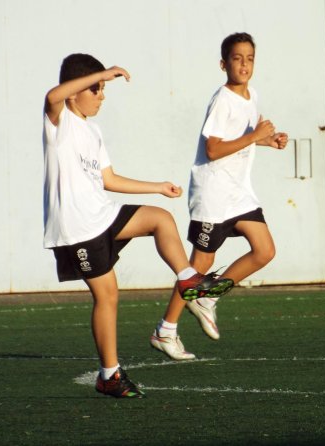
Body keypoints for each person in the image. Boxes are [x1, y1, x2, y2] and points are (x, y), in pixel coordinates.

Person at [42, 53, 234, 398]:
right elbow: (53, 96)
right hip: (77, 229)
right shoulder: (59, 122)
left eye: (102, 89)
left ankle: (188, 280)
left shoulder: (92, 130)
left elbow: (109, 179)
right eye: (96, 89)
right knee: (108, 295)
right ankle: (110, 375)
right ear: (76, 92)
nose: (102, 96)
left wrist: (157, 186)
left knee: (161, 218)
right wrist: (103, 73)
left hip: (102, 215)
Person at [150, 33, 288, 360]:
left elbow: (240, 138)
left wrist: (268, 141)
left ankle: (209, 298)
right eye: (237, 58)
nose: (244, 64)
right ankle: (165, 330)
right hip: (213, 191)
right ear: (223, 64)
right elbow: (213, 148)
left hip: (238, 192)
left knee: (265, 250)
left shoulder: (252, 95)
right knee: (199, 266)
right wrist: (256, 135)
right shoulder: (222, 99)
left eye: (250, 58)